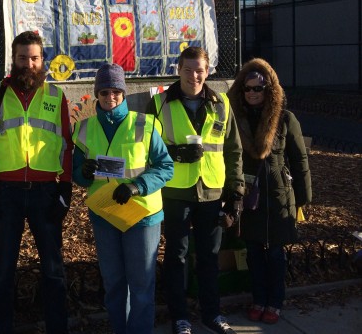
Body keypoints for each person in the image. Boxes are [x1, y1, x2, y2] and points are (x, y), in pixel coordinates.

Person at [0, 30, 74, 334]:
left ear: (42, 60)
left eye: (34, 58)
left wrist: (65, 189)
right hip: (5, 193)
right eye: (22, 58)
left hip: (45, 192)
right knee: (3, 270)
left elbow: (66, 145)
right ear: (14, 59)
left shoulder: (55, 95)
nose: (28, 64)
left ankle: (57, 328)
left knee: (53, 269)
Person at [146, 46, 244, 334]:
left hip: (212, 192)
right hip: (175, 192)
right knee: (176, 256)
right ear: (178, 70)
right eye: (188, 70)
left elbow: (234, 151)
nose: (194, 76)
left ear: (208, 70)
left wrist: (236, 192)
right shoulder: (160, 103)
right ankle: (180, 317)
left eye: (199, 70)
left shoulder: (222, 103)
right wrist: (176, 153)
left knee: (209, 257)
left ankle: (212, 314)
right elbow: (148, 149)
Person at [73, 63, 174, 334]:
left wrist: (136, 186)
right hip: (105, 214)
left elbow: (165, 167)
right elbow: (78, 175)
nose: (110, 97)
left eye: (116, 91)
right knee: (115, 283)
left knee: (140, 285)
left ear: (123, 92)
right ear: (97, 94)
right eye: (104, 92)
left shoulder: (145, 124)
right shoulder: (84, 129)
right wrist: (82, 173)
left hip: (141, 216)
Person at [228, 58, 312, 324]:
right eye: (248, 88)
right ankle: (259, 298)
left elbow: (299, 160)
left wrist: (303, 197)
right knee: (253, 252)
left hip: (278, 195)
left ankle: (275, 302)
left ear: (269, 90)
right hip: (248, 195)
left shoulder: (285, 119)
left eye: (259, 88)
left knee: (275, 254)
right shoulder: (234, 120)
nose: (253, 93)